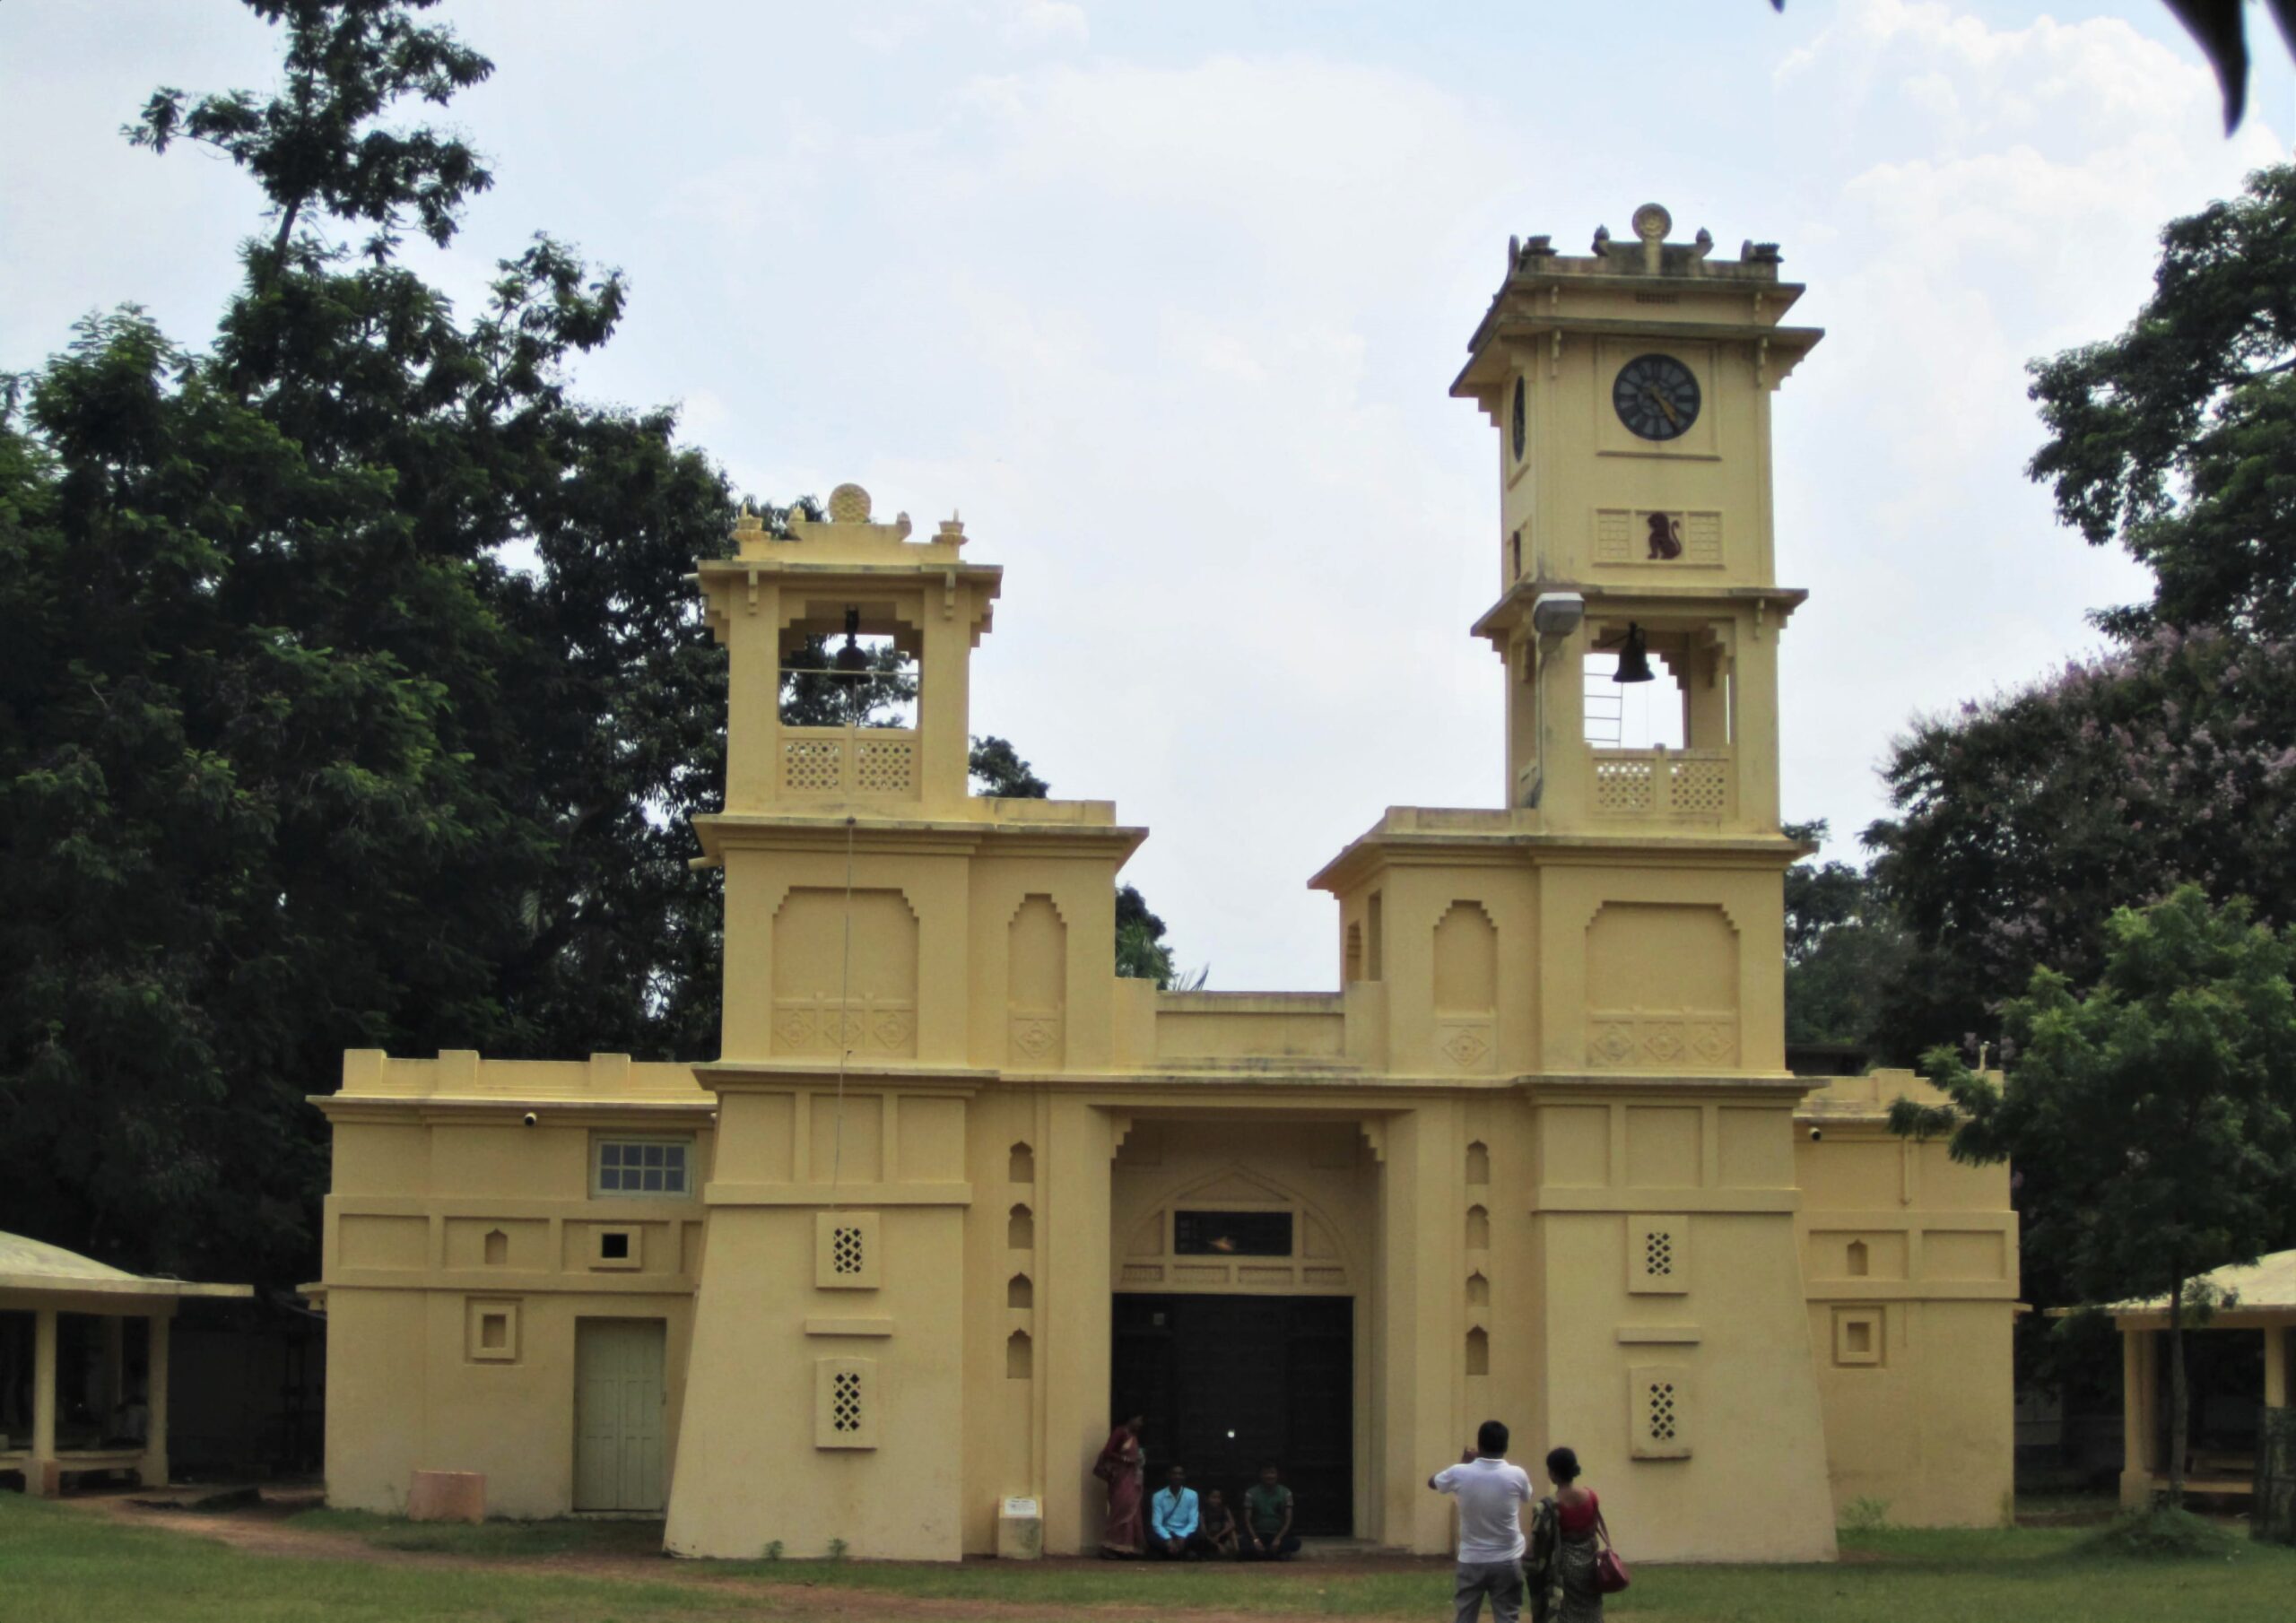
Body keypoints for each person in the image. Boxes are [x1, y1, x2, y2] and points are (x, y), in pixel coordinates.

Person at [1429, 1419, 1535, 1623]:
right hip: (1507, 1558)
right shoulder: (1517, 1474)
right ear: (1505, 1446)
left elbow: (1433, 1482)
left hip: (1472, 1559)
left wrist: (1464, 1464)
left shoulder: (1460, 1472)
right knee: (1507, 1616)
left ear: (1479, 1445)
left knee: (1465, 1616)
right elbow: (1526, 1496)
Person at [1544, 1445, 1612, 1622]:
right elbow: (1593, 1527)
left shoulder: (1552, 1504)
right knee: (1592, 1607)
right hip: (1590, 1561)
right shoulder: (1590, 1496)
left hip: (1566, 1565)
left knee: (1567, 1610)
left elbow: (1548, 1538)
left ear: (1553, 1473)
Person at [1092, 1412, 1147, 1558]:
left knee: (1132, 1509)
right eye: (1139, 1419)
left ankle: (1128, 1547)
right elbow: (1107, 1451)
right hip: (1122, 1477)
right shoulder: (1120, 1432)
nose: (1140, 1424)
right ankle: (1110, 1546)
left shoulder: (1133, 1436)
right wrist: (1125, 1459)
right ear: (1131, 1418)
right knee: (1122, 1506)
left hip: (1132, 1476)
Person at [1148, 1462, 1211, 1559]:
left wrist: (1182, 1536)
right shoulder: (1158, 1496)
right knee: (1151, 1538)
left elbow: (1193, 1522)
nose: (1177, 1476)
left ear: (1184, 1477)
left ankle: (1173, 1553)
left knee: (1200, 1537)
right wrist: (1168, 1539)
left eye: (1180, 1474)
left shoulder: (1192, 1495)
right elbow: (1156, 1523)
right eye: (1174, 1474)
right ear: (1168, 1476)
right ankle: (1180, 1553)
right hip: (1166, 1532)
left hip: (1185, 1533)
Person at [1241, 1461, 1300, 1559]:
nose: (1269, 1476)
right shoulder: (1251, 1493)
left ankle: (1263, 1555)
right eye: (1266, 1473)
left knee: (1296, 1543)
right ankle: (1273, 1556)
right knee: (1243, 1544)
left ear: (1277, 1475)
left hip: (1277, 1535)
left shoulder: (1286, 1493)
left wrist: (1278, 1539)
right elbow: (1247, 1520)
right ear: (1260, 1475)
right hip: (1258, 1534)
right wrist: (1255, 1539)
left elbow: (1288, 1519)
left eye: (1272, 1473)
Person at [1201, 1487, 1241, 1558]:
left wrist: (1219, 1536)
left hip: (1221, 1536)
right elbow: (1203, 1531)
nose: (1216, 1500)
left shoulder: (1225, 1509)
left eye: (1218, 1498)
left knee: (1232, 1531)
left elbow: (1232, 1524)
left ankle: (1238, 1552)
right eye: (1213, 1498)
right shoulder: (1203, 1512)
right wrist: (1214, 1541)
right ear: (1207, 1498)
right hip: (1209, 1539)